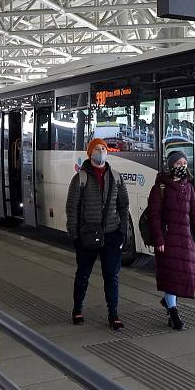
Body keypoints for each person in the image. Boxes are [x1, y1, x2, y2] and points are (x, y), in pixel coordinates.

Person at [65, 138, 129, 330]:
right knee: (83, 274)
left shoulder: (116, 177)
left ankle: (113, 314)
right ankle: (77, 309)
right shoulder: (80, 178)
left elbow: (124, 205)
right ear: (90, 153)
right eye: (97, 149)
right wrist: (74, 235)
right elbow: (72, 208)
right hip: (87, 235)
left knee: (112, 276)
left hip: (111, 235)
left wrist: (122, 231)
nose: (100, 151)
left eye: (103, 148)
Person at [147, 150, 195, 330]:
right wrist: (159, 240)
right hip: (168, 238)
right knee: (172, 276)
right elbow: (154, 216)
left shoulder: (189, 187)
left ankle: (168, 301)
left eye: (184, 163)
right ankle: (173, 313)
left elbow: (194, 215)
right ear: (171, 165)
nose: (182, 166)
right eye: (178, 163)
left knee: (185, 275)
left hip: (185, 238)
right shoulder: (160, 188)